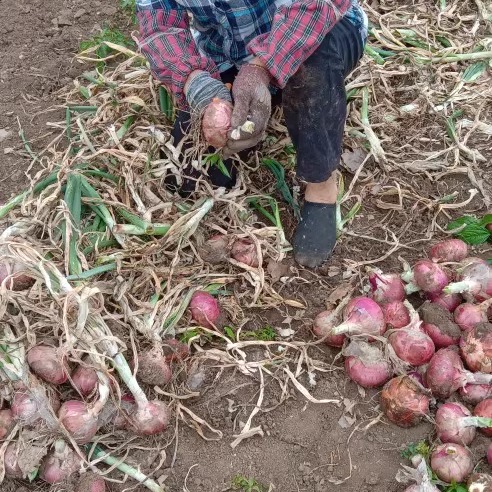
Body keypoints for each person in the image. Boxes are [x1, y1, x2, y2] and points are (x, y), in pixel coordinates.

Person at [136, 0, 367, 268]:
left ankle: (322, 188)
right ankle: (259, 101)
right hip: (226, 52)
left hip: (317, 30)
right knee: (191, 176)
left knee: (310, 71)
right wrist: (194, 79)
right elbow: (159, 26)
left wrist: (263, 66)